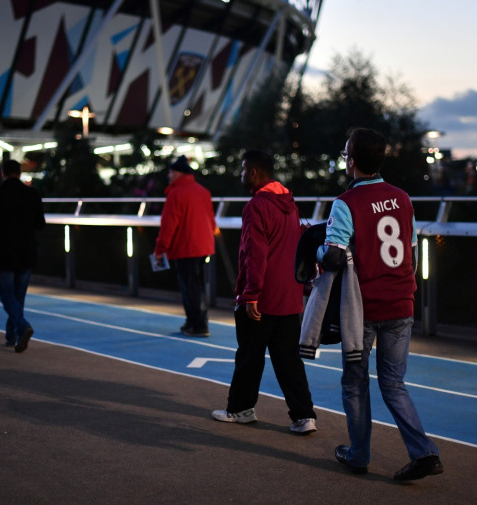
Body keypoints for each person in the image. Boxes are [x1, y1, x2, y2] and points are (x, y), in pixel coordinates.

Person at [317, 128, 443, 481]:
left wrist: (313, 250)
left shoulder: (346, 203)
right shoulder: (402, 198)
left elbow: (332, 257)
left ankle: (359, 455)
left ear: (351, 161)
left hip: (363, 310)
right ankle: (424, 452)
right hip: (402, 303)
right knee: (393, 383)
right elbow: (412, 253)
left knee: (355, 382)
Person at [211, 149, 317, 435]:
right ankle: (304, 416)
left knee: (249, 355)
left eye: (244, 169)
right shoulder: (290, 203)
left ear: (254, 172)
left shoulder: (257, 206)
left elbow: (254, 254)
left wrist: (250, 294)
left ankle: (240, 409)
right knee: (288, 359)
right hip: (290, 295)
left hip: (263, 296)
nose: (242, 174)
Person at [0, 159, 45, 353]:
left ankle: (22, 326)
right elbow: (40, 223)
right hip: (26, 251)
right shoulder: (32, 194)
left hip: (3, 251)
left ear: (3, 173)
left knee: (6, 294)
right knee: (19, 295)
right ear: (20, 173)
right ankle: (12, 336)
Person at [154, 155, 217, 337]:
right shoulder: (203, 191)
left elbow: (168, 226)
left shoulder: (175, 194)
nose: (168, 176)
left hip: (184, 247)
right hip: (203, 246)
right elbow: (211, 221)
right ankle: (194, 321)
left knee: (189, 287)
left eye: (171, 172)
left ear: (178, 173)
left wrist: (160, 250)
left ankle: (197, 325)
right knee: (197, 285)